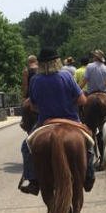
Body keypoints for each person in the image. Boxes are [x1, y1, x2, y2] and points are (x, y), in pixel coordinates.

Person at [19, 47, 94, 196]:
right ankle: (88, 176)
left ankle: (33, 181)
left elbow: (33, 105)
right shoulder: (66, 76)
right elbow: (82, 100)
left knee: (26, 147)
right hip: (71, 120)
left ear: (40, 64)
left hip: (44, 122)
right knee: (90, 143)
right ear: (56, 61)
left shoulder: (35, 80)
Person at [20, 55, 38, 133]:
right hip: (41, 93)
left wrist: (24, 96)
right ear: (36, 61)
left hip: (31, 95)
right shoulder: (40, 69)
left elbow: (25, 85)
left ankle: (24, 122)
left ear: (28, 62)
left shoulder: (26, 71)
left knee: (24, 105)